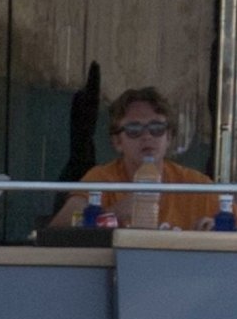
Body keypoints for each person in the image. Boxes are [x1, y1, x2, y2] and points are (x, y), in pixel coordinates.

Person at [49, 87, 223, 230]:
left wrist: (216, 229)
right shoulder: (101, 180)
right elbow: (57, 232)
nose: (147, 136)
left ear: (169, 137)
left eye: (156, 128)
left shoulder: (193, 185)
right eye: (134, 129)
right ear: (117, 141)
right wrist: (114, 214)